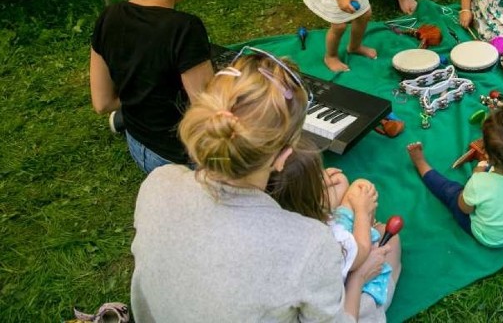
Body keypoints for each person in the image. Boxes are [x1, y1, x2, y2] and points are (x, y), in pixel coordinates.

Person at [131, 48, 401, 321]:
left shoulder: (157, 183)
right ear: (283, 156)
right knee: (391, 249)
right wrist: (358, 276)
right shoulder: (310, 245)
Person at [89, 0, 214, 174]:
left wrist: (143, 98)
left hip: (139, 146)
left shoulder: (109, 16)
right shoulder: (185, 28)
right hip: (178, 161)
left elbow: (102, 103)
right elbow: (208, 116)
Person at [268, 148, 396, 306]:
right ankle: (385, 291)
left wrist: (313, 183)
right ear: (311, 197)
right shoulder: (326, 242)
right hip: (348, 278)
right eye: (317, 176)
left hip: (332, 233)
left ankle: (367, 225)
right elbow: (361, 250)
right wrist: (362, 212)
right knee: (392, 240)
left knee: (344, 181)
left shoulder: (281, 218)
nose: (324, 177)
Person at [406, 105, 503, 248]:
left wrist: (477, 174)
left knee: (451, 192)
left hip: (490, 238)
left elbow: (465, 208)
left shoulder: (479, 183)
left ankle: (421, 163)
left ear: (486, 156)